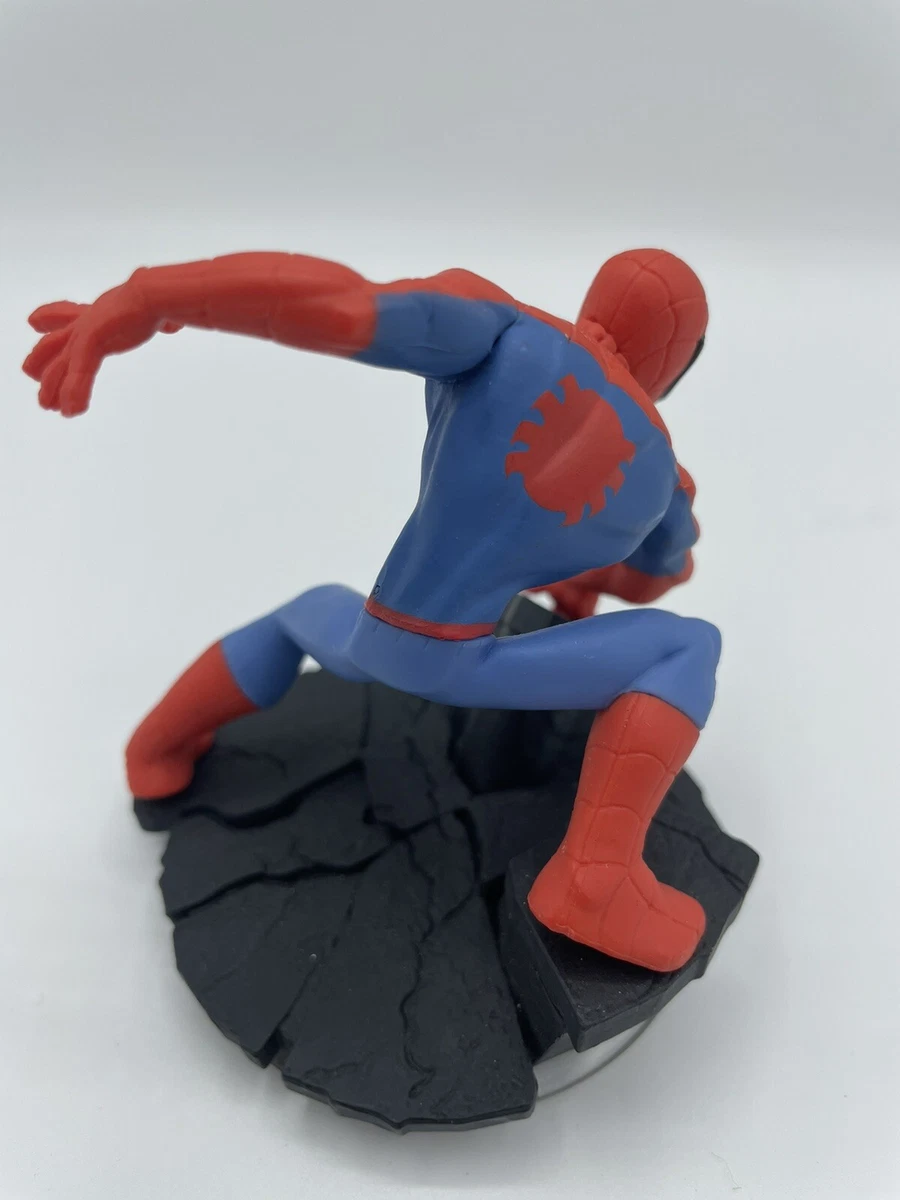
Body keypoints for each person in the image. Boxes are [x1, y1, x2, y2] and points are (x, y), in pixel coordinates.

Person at [23, 246, 717, 973]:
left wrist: (151, 297)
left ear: (597, 301)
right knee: (686, 648)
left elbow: (339, 304)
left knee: (305, 612)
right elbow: (654, 580)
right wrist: (584, 573)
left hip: (379, 635)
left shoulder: (505, 330)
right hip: (487, 666)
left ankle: (154, 751)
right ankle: (596, 876)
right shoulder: (665, 480)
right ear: (674, 361)